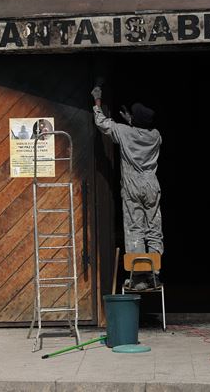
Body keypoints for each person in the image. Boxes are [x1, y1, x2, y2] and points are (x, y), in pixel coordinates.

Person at [91, 85, 163, 289]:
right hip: (151, 184)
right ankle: (155, 274)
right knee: (154, 228)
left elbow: (102, 123)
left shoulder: (123, 132)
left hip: (133, 184)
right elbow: (142, 132)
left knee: (135, 228)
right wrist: (133, 122)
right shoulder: (156, 135)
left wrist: (97, 101)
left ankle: (139, 276)